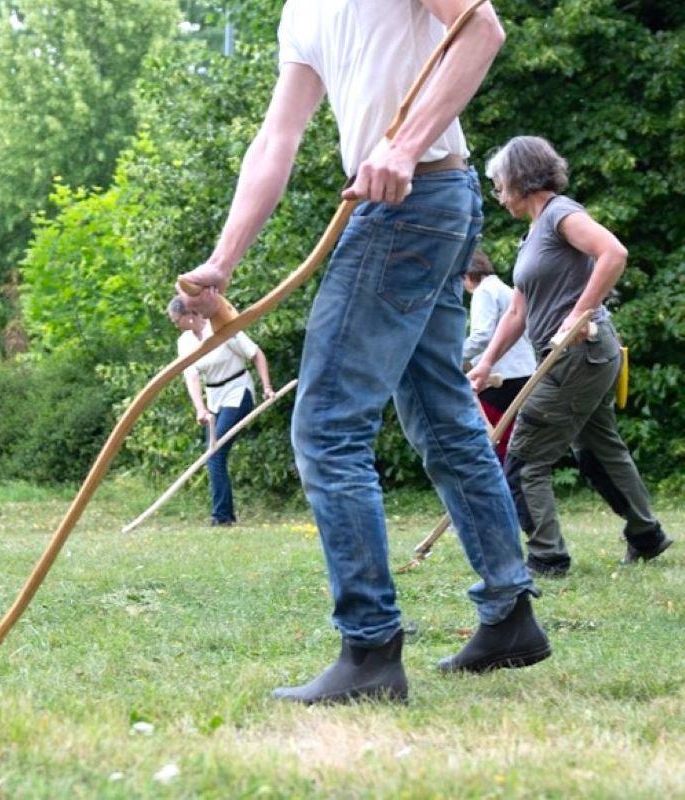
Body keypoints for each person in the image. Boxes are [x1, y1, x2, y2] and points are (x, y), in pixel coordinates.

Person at [177, 0, 549, 704]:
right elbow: (275, 140)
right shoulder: (300, 13)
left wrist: (404, 146)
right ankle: (509, 613)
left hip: (414, 202)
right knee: (442, 413)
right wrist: (222, 262)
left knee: (326, 427)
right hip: (429, 206)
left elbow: (483, 28)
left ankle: (372, 651)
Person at [468, 135, 673, 577]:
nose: (498, 192)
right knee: (598, 449)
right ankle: (647, 535)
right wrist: (485, 364)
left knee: (523, 460)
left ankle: (547, 557)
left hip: (580, 352)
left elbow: (613, 252)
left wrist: (579, 311)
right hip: (572, 359)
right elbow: (519, 312)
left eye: (500, 183)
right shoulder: (533, 234)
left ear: (521, 178)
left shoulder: (561, 213)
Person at [168, 295, 275, 526]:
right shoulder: (185, 342)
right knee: (213, 456)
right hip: (214, 398)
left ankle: (222, 517)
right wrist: (200, 409)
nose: (174, 323)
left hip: (238, 392)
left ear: (189, 315)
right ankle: (224, 515)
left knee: (215, 455)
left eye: (176, 318)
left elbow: (256, 354)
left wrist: (267, 387)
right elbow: (192, 377)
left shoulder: (222, 328)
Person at [462, 249, 536, 460]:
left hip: (501, 378)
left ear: (466, 275)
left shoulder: (483, 291)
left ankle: (502, 489)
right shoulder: (505, 289)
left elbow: (481, 337)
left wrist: (450, 356)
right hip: (523, 373)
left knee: (492, 443)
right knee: (512, 443)